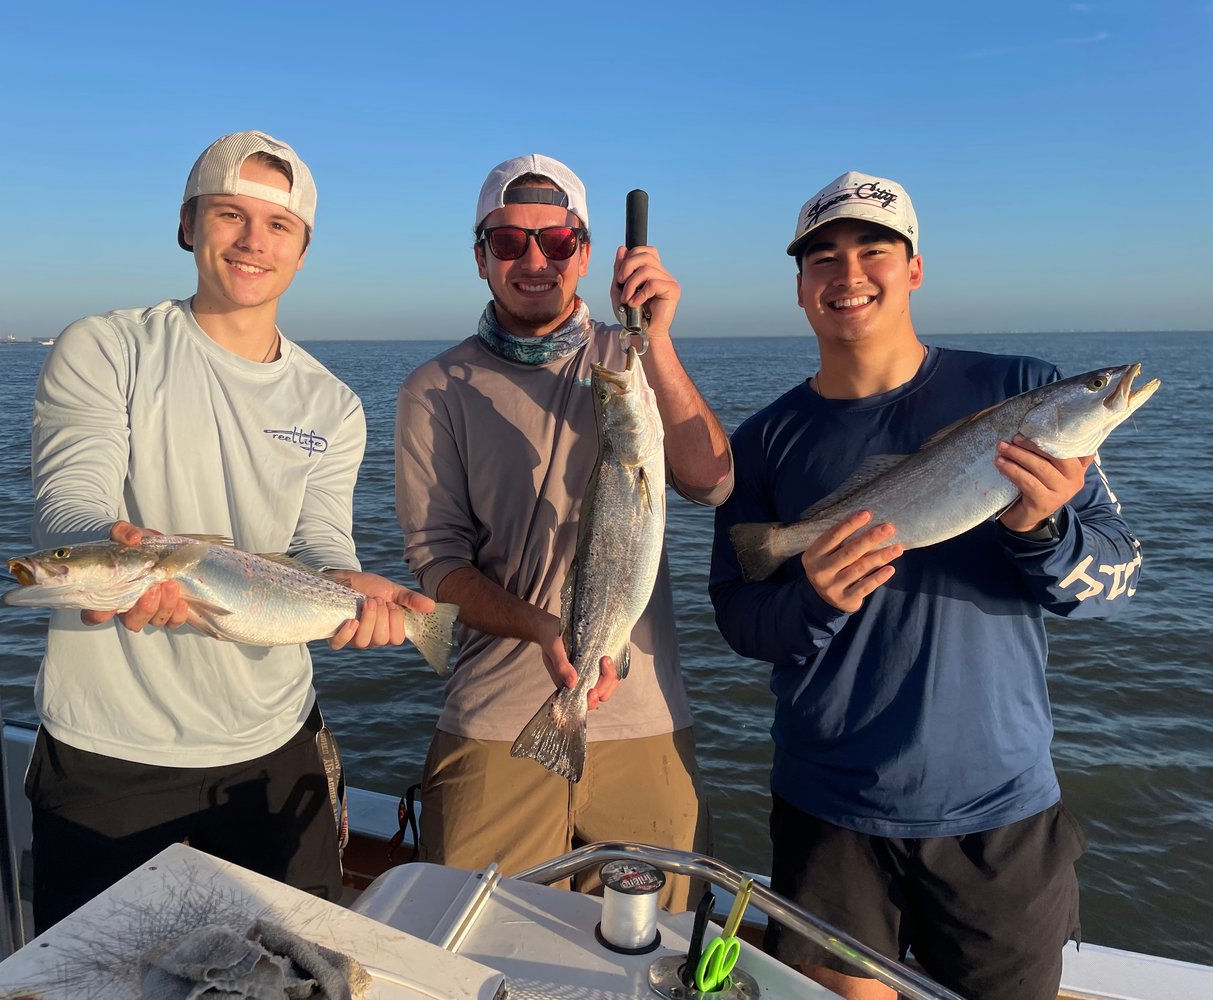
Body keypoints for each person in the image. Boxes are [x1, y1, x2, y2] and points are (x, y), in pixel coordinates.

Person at [708, 171, 1145, 999]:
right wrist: (813, 600)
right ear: (800, 286)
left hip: (996, 809)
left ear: (914, 268)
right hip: (825, 805)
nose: (848, 274)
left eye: (875, 250)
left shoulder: (1019, 388)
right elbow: (738, 613)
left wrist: (1043, 531)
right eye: (822, 259)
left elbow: (1117, 574)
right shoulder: (764, 439)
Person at [25, 130, 433, 931]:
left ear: (303, 249)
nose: (253, 242)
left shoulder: (332, 403)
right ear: (188, 225)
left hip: (275, 749)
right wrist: (113, 558)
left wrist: (351, 585)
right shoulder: (106, 347)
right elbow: (71, 502)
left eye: (278, 225)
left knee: (289, 971)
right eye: (229, 215)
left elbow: (321, 545)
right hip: (106, 755)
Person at [393, 154, 732, 911]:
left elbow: (711, 480)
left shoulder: (632, 356)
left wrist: (659, 344)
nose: (534, 260)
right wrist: (541, 628)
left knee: (653, 957)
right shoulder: (432, 389)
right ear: (480, 257)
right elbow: (435, 564)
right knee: (471, 952)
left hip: (644, 722)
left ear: (585, 251)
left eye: (556, 240)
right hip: (496, 721)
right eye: (509, 242)